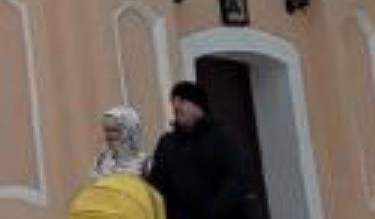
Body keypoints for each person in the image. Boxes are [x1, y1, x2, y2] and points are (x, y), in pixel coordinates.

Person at [142, 81, 265, 219]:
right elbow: (157, 186)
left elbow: (239, 177)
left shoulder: (219, 137)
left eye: (182, 100)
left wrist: (215, 211)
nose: (176, 106)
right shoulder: (167, 143)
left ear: (198, 105)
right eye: (174, 101)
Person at [67, 107, 165, 219]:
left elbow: (154, 201)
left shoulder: (146, 164)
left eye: (114, 130)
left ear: (129, 131)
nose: (108, 136)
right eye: (106, 130)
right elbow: (94, 193)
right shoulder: (100, 161)